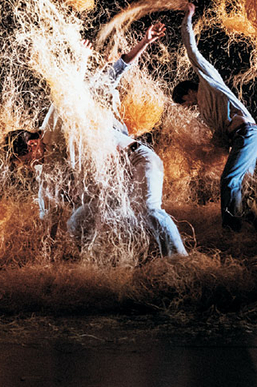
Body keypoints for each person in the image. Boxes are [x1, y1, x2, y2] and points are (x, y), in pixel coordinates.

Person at [68, 23, 187, 256]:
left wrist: (145, 41)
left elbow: (121, 65)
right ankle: (102, 260)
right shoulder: (72, 120)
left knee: (151, 210)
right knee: (79, 219)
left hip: (138, 159)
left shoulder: (92, 94)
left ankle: (180, 259)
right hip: (122, 172)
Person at [173, 3, 257, 232]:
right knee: (242, 186)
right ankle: (255, 225)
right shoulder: (205, 113)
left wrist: (188, 19)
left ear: (187, 93)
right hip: (241, 139)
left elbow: (191, 50)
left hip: (248, 135)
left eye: (183, 103)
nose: (186, 108)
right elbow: (221, 136)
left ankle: (231, 229)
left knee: (228, 181)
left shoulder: (208, 82)